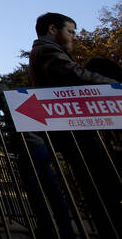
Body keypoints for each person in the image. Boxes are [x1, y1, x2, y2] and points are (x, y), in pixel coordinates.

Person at [28, 12, 119, 237]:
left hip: (76, 134)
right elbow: (74, 75)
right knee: (103, 190)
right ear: (52, 29)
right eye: (70, 31)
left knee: (102, 191)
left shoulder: (50, 52)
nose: (74, 37)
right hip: (77, 136)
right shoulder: (46, 50)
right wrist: (115, 86)